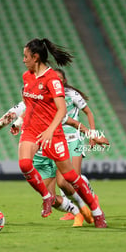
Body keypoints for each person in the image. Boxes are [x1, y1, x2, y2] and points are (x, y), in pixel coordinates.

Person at [17, 38, 106, 227]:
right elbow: (29, 104)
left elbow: (62, 110)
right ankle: (47, 196)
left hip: (53, 133)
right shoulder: (27, 77)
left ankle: (97, 212)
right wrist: (18, 121)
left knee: (70, 178)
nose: (23, 60)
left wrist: (50, 130)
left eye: (26, 56)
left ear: (36, 57)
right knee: (24, 164)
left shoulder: (52, 80)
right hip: (31, 130)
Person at [0, 101, 108, 227]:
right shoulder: (22, 107)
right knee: (51, 199)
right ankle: (76, 211)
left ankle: (84, 205)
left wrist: (92, 135)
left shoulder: (47, 106)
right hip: (40, 160)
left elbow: (73, 122)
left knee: (64, 182)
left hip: (53, 152)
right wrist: (0, 123)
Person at [53, 68, 104, 221]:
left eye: (59, 78)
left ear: (64, 80)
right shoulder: (50, 96)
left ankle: (91, 199)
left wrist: (93, 135)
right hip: (59, 140)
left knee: (73, 177)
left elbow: (89, 112)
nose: (57, 80)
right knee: (63, 180)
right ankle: (75, 208)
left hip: (74, 138)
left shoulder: (72, 95)